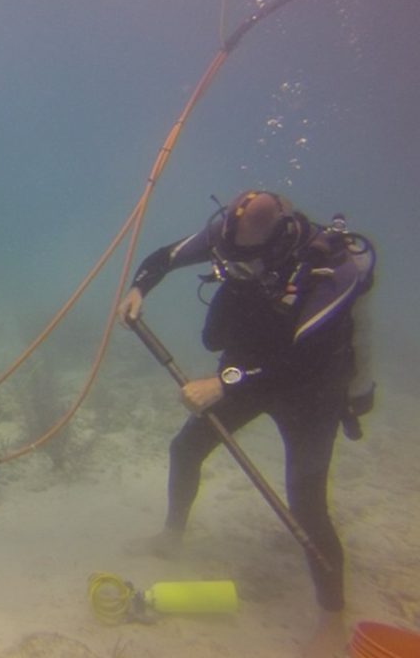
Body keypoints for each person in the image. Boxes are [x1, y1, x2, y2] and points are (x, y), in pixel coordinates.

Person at [117, 191, 375, 658]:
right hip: (250, 370)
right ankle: (171, 538)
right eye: (229, 256)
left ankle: (331, 618)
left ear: (276, 244)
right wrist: (139, 288)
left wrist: (223, 382)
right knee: (186, 448)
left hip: (312, 387)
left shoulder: (327, 271)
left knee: (306, 500)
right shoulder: (225, 233)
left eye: (245, 262)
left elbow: (302, 358)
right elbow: (164, 257)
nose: (232, 264)